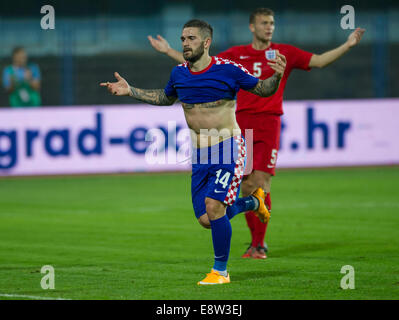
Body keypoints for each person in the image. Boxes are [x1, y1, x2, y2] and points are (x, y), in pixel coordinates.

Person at [148, 8, 365, 259]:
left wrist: (347, 45)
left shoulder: (285, 53)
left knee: (261, 182)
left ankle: (259, 244)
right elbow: (203, 64)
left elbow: (318, 61)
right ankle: (253, 222)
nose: (269, 27)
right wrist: (168, 52)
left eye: (272, 23)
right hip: (240, 124)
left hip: (269, 123)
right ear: (252, 27)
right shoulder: (237, 55)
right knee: (246, 186)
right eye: (264, 23)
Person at [101, 19, 286, 285]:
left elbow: (262, 89)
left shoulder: (228, 70)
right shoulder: (179, 73)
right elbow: (166, 98)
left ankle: (220, 272)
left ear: (206, 42)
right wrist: (130, 91)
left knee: (213, 207)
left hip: (228, 147)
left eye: (191, 39)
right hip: (200, 154)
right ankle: (252, 202)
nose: (185, 43)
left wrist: (276, 76)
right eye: (183, 39)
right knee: (206, 219)